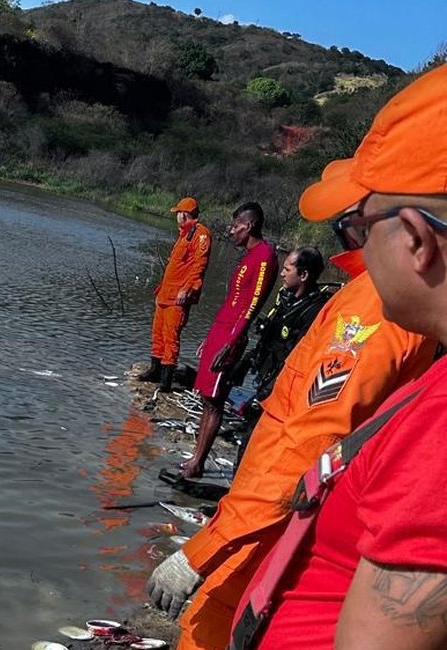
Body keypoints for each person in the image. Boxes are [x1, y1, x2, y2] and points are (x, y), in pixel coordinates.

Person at [145, 67, 440, 650]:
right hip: (270, 532)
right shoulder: (376, 303)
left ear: (413, 237)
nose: (347, 240)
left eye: (357, 223)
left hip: (269, 545)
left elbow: (309, 440)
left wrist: (203, 550)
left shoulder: (376, 315)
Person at [177, 203, 276, 479]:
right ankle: (194, 457)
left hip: (233, 335)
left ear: (250, 226)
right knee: (206, 397)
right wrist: (210, 337)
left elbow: (252, 304)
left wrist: (231, 342)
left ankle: (198, 463)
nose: (232, 231)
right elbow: (230, 302)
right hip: (221, 331)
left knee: (216, 399)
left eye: (236, 226)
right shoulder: (246, 257)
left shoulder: (265, 256)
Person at [231, 247, 334, 459]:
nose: (282, 273)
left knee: (253, 442)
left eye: (287, 269)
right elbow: (270, 340)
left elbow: (298, 358)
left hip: (282, 390)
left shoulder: (314, 312)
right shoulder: (286, 300)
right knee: (249, 437)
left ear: (303, 275)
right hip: (266, 378)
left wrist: (266, 393)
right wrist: (245, 363)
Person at [138, 197, 211, 391]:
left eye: (178, 213)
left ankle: (166, 380)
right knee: (158, 333)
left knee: (171, 337)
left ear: (184, 214)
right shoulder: (184, 234)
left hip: (178, 297)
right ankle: (155, 369)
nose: (176, 216)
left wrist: (186, 290)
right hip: (165, 294)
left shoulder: (200, 234)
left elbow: (199, 266)